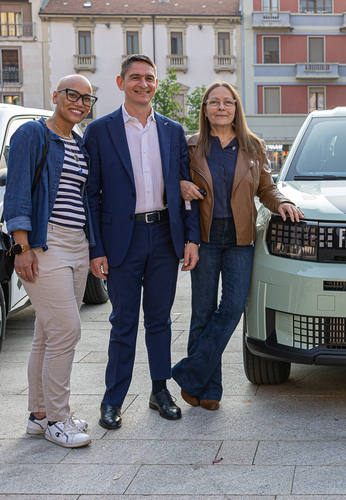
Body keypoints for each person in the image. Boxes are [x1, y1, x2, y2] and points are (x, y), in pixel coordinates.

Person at [84, 54, 200, 429]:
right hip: (122, 238)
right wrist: (96, 248)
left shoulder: (172, 130)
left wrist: (191, 237)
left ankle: (159, 391)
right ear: (121, 83)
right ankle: (113, 399)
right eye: (135, 77)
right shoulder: (99, 131)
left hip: (165, 235)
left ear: (156, 83)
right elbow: (90, 195)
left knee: (160, 320)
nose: (143, 84)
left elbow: (185, 190)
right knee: (123, 322)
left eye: (149, 78)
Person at [172, 83, 301, 410]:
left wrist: (282, 202)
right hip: (204, 238)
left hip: (241, 239)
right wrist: (180, 184)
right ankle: (210, 389)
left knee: (232, 307)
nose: (221, 107)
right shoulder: (190, 146)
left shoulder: (254, 146)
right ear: (205, 109)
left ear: (236, 108)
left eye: (228, 102)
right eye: (214, 102)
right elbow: (173, 181)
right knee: (202, 311)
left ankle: (190, 373)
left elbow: (266, 188)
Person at [4, 75, 97, 447]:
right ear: (56, 96)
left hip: (78, 243)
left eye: (87, 99)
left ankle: (39, 416)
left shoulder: (79, 143)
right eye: (72, 95)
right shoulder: (32, 134)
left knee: (47, 333)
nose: (79, 103)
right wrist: (21, 247)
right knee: (67, 330)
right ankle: (59, 419)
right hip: (46, 242)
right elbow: (16, 192)